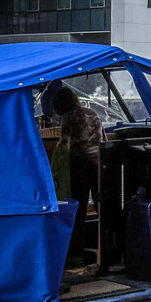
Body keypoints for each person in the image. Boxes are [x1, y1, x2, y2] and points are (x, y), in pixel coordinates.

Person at [52, 88, 103, 264]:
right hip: (98, 162)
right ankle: (104, 252)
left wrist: (54, 166)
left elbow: (63, 146)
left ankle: (76, 255)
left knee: (77, 210)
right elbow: (103, 139)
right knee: (101, 206)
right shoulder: (93, 113)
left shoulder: (68, 118)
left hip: (79, 165)